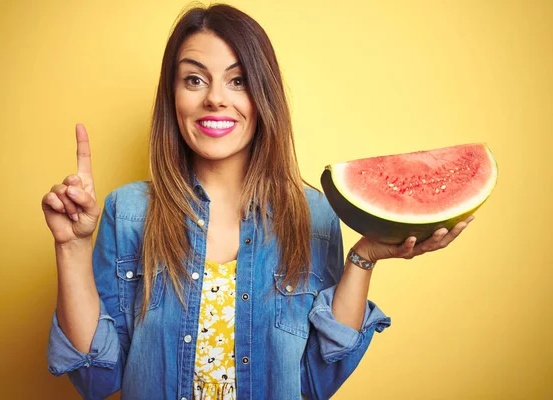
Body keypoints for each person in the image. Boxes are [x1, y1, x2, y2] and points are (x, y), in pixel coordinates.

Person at [42, 3, 473, 400]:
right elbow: (96, 377)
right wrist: (72, 247)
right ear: (172, 97)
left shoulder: (312, 215)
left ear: (262, 95)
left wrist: (363, 257)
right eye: (194, 79)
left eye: (238, 80)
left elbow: (315, 381)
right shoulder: (129, 213)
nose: (214, 97)